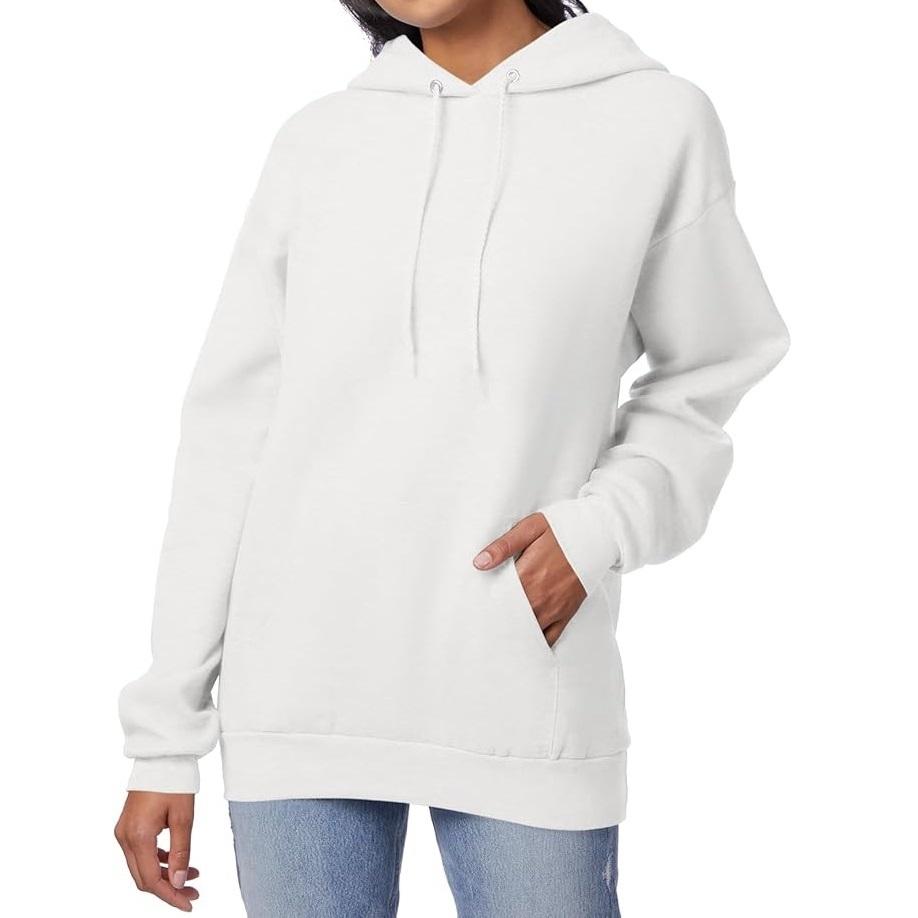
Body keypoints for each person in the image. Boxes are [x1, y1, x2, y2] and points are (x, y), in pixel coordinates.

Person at [114, 1, 789, 914]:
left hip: (521, 687)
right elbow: (229, 437)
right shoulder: (322, 141)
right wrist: (164, 737)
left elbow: (713, 364)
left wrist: (601, 527)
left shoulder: (654, 120)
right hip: (297, 695)